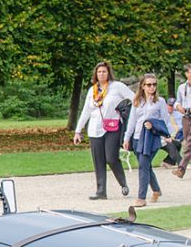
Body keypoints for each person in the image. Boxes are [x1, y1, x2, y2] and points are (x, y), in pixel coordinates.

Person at [73, 61, 134, 200]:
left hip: (112, 127)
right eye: (99, 72)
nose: (101, 74)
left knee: (111, 158)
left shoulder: (117, 86)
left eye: (104, 71)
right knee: (98, 160)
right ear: (96, 74)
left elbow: (134, 98)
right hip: (95, 128)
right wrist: (78, 131)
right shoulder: (92, 90)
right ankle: (101, 191)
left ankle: (123, 183)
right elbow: (86, 111)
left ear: (108, 73)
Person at [123, 74, 173, 205]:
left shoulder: (160, 101)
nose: (152, 87)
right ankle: (156, 190)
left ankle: (141, 198)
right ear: (143, 86)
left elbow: (165, 120)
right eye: (149, 85)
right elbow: (132, 121)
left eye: (154, 85)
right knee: (146, 166)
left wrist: (168, 135)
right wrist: (127, 138)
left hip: (151, 139)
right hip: (137, 138)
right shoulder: (137, 101)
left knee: (142, 166)